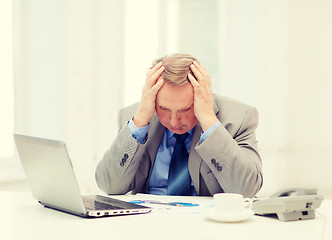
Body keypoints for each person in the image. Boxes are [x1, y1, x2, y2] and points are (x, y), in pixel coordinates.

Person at [95, 53, 263, 198]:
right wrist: (139, 122)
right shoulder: (133, 118)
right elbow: (109, 185)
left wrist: (209, 121)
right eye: (164, 108)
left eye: (186, 109)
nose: (174, 122)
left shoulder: (240, 118)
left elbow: (246, 190)